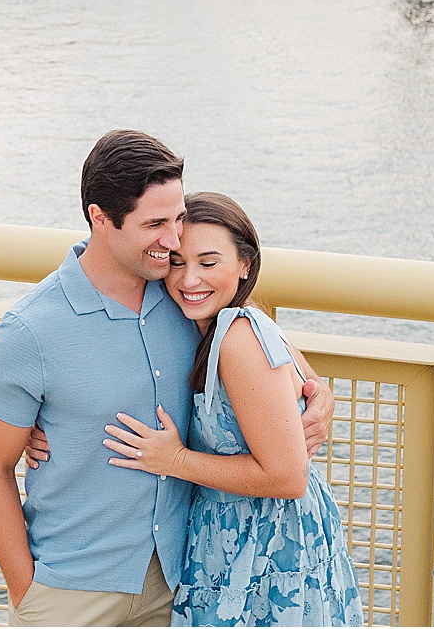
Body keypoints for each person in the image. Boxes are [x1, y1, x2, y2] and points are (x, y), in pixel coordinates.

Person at [0, 130, 335, 628]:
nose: (173, 240)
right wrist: (27, 594)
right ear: (101, 219)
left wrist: (319, 395)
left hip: (183, 580)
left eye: (179, 218)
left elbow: (261, 340)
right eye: (156, 223)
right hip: (71, 592)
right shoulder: (31, 329)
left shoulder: (184, 296)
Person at [102, 192, 363, 627]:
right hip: (236, 538)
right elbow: (302, 378)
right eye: (178, 262)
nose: (189, 280)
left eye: (208, 263)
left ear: (245, 264)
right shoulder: (220, 321)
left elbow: (287, 478)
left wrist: (176, 460)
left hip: (267, 544)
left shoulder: (237, 334)